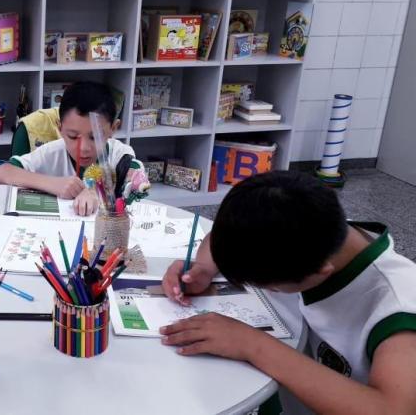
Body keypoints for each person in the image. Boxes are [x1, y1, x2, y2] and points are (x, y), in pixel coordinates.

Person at [160, 171, 416, 414]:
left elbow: (393, 410)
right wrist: (204, 268)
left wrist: (251, 344)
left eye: (269, 286)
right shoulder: (304, 228)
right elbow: (222, 236)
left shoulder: (398, 309)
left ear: (320, 272)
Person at [0, 81, 142, 216]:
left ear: (113, 128)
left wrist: (96, 191)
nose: (83, 148)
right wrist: (53, 183)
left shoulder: (119, 155)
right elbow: (1, 172)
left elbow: (137, 182)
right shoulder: (51, 153)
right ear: (60, 128)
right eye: (72, 136)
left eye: (95, 137)